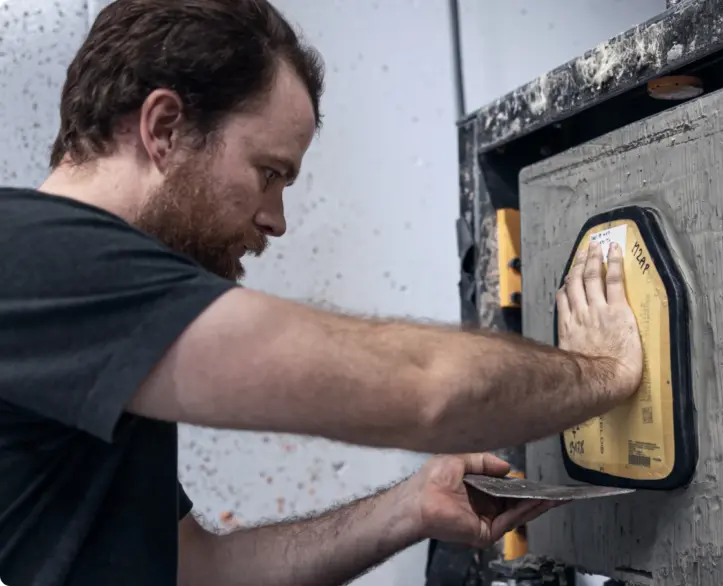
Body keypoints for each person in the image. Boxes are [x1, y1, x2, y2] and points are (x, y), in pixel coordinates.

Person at [0, 0, 643, 584]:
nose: (276, 220)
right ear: (164, 127)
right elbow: (427, 388)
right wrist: (606, 373)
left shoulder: (71, 304)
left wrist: (410, 507)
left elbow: (198, 571)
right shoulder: (40, 257)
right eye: (269, 173)